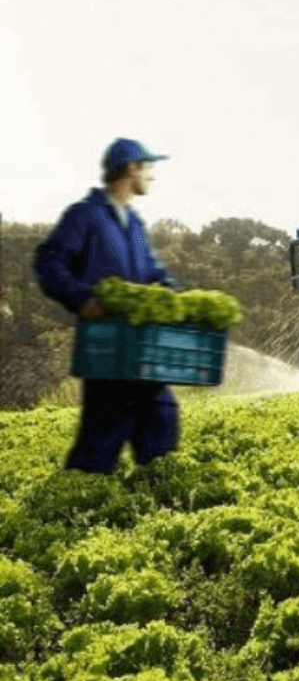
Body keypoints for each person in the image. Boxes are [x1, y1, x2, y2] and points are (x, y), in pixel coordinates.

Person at [33, 137, 180, 474]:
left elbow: (151, 271)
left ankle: (161, 505)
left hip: (142, 353)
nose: (152, 175)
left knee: (161, 427)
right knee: (99, 446)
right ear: (131, 168)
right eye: (148, 167)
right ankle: (70, 509)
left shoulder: (135, 224)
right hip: (107, 353)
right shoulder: (85, 215)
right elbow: (49, 263)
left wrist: (170, 291)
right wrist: (81, 299)